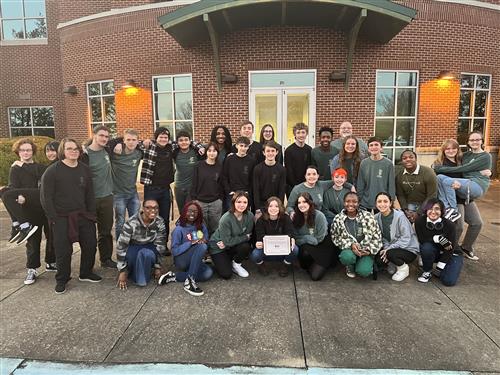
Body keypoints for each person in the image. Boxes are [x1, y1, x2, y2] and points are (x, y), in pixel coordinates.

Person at [41, 138, 102, 294]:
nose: (73, 151)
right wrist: (54, 218)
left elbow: (89, 194)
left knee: (90, 245)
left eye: (76, 148)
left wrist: (91, 214)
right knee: (63, 251)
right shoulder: (52, 171)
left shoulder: (84, 169)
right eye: (69, 148)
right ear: (63, 151)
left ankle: (85, 272)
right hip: (61, 217)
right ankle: (62, 279)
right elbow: (46, 197)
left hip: (83, 215)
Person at [1, 139, 55, 285]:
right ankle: (32, 268)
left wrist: (23, 165)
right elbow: (13, 187)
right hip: (28, 209)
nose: (25, 153)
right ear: (18, 152)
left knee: (52, 236)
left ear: (33, 152)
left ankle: (51, 262)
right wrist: (18, 197)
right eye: (23, 150)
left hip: (44, 206)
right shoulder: (15, 169)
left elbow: (42, 182)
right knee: (33, 241)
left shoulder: (39, 167)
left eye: (28, 150)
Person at [433, 139, 485, 261]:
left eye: (453, 148)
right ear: (443, 151)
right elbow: (439, 182)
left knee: (477, 223)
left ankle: (466, 247)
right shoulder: (440, 164)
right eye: (448, 149)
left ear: (458, 149)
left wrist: (486, 172)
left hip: (466, 197)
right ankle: (450, 249)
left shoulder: (462, 161)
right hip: (453, 200)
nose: (451, 151)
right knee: (458, 226)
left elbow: (474, 173)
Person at [433, 131, 492, 223]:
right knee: (474, 224)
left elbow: (465, 168)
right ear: (468, 142)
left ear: (482, 141)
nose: (474, 142)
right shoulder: (466, 155)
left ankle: (452, 210)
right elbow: (468, 170)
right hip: (459, 193)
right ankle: (450, 209)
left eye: (477, 139)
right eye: (472, 140)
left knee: (443, 179)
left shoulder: (485, 156)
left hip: (474, 187)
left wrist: (440, 169)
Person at [80, 125, 116, 268]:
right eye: (101, 135)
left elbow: (122, 139)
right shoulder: (84, 155)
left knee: (106, 231)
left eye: (107, 136)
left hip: (107, 197)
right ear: (94, 135)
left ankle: (106, 259)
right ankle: (88, 264)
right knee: (88, 234)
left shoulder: (107, 150)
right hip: (90, 200)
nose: (104, 139)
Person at [159, 201, 213, 296]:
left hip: (195, 260)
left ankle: (174, 276)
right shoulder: (179, 229)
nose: (192, 214)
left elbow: (206, 241)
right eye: (189, 211)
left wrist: (204, 241)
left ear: (199, 214)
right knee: (201, 246)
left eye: (195, 212)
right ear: (184, 212)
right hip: (182, 261)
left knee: (208, 273)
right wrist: (191, 243)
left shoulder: (201, 226)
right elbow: (174, 251)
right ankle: (189, 282)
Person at [140, 126, 176, 254]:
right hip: (151, 189)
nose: (163, 139)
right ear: (156, 138)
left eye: (166, 137)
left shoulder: (171, 147)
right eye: (160, 137)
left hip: (165, 189)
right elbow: (131, 142)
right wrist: (144, 141)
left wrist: (199, 147)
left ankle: (163, 245)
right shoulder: (149, 147)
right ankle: (150, 243)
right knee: (150, 217)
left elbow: (188, 141)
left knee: (164, 218)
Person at [116, 199, 166, 289]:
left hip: (149, 247)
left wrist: (158, 267)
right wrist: (122, 270)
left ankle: (142, 272)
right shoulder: (131, 223)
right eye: (148, 208)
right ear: (143, 208)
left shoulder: (160, 222)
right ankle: (130, 269)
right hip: (134, 247)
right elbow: (121, 246)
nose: (153, 211)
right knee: (132, 259)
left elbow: (160, 245)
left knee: (146, 254)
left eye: (155, 208)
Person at [331, 192, 382, 278]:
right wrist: (351, 245)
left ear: (358, 203)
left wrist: (368, 250)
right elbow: (335, 237)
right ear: (344, 203)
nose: (351, 204)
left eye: (354, 201)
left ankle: (366, 264)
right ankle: (350, 266)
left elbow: (377, 237)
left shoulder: (368, 217)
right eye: (348, 201)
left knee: (364, 272)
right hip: (349, 250)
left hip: (366, 250)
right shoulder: (338, 218)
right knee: (346, 257)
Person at [374, 192, 419, 282]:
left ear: (390, 203)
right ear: (376, 204)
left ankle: (403, 268)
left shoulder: (400, 216)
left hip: (408, 249)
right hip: (392, 248)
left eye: (385, 201)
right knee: (379, 261)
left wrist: (389, 250)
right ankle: (393, 262)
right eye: (379, 201)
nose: (382, 204)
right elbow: (383, 237)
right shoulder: (376, 217)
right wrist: (386, 249)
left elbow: (406, 238)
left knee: (390, 254)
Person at [209, 191, 254, 279]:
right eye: (238, 202)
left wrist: (228, 242)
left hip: (229, 245)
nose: (242, 205)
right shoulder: (226, 218)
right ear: (233, 202)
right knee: (226, 274)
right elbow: (245, 236)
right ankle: (216, 260)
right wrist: (243, 237)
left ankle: (236, 264)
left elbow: (248, 236)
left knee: (245, 246)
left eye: (245, 202)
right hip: (218, 246)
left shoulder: (250, 216)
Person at [250, 197, 298, 277]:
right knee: (255, 254)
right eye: (270, 206)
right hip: (267, 250)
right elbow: (260, 236)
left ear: (280, 208)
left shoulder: (285, 218)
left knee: (295, 249)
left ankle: (285, 265)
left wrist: (291, 239)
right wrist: (259, 243)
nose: (273, 208)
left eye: (276, 206)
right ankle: (262, 265)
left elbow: (290, 233)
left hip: (282, 250)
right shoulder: (261, 220)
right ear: (267, 207)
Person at [293, 192, 335, 281]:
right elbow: (296, 238)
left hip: (322, 246)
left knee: (315, 277)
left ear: (310, 202)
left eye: (304, 202)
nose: (301, 205)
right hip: (308, 245)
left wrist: (304, 237)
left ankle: (320, 264)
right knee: (304, 253)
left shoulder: (319, 216)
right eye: (299, 203)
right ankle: (311, 263)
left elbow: (319, 238)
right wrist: (307, 238)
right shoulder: (296, 217)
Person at [414, 198, 458, 283]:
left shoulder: (450, 225)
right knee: (426, 247)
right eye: (430, 208)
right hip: (435, 250)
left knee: (448, 281)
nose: (433, 212)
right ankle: (427, 271)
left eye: (437, 209)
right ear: (426, 210)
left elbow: (451, 247)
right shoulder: (420, 221)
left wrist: (440, 266)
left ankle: (445, 267)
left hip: (451, 253)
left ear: (442, 211)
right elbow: (422, 240)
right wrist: (438, 238)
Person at [110, 129, 142, 240]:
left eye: (134, 140)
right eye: (128, 139)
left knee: (135, 220)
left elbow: (152, 142)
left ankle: (133, 243)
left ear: (138, 141)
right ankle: (120, 246)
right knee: (120, 222)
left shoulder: (139, 153)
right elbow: (101, 143)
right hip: (118, 194)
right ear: (124, 140)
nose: (131, 142)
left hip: (133, 193)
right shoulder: (115, 152)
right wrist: (117, 142)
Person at [190, 142, 224, 236]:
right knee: (201, 228)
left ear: (217, 153)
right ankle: (203, 247)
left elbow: (222, 184)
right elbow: (194, 183)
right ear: (206, 152)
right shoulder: (199, 165)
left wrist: (220, 199)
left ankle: (213, 247)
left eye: (214, 151)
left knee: (216, 228)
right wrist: (194, 199)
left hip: (215, 202)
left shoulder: (220, 167)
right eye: (209, 150)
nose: (212, 153)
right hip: (200, 202)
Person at [395, 149, 437, 223]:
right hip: (410, 205)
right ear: (402, 161)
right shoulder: (399, 175)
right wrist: (405, 210)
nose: (408, 159)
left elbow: (432, 195)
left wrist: (419, 212)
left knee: (423, 223)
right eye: (404, 158)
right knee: (403, 222)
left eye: (411, 157)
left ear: (416, 159)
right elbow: (400, 195)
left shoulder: (428, 172)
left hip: (426, 204)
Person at [357, 137, 395, 211]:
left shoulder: (388, 164)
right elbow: (360, 183)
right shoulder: (364, 163)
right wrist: (359, 198)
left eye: (376, 145)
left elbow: (391, 184)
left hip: (382, 201)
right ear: (368, 149)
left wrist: (391, 200)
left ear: (381, 148)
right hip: (366, 200)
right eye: (371, 145)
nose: (373, 147)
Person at [252, 141, 286, 216]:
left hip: (275, 205)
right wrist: (257, 208)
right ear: (264, 153)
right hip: (261, 205)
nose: (270, 153)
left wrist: (279, 206)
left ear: (277, 152)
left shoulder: (281, 169)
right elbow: (256, 190)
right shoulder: (257, 169)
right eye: (268, 151)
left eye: (273, 151)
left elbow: (282, 190)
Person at [222, 136, 256, 209]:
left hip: (245, 194)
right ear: (237, 146)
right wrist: (229, 191)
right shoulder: (229, 159)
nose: (243, 148)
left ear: (248, 147)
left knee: (244, 216)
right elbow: (224, 176)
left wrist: (248, 191)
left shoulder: (251, 161)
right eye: (241, 146)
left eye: (245, 146)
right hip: (232, 194)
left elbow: (252, 179)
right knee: (231, 214)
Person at [173, 131, 202, 213]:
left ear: (190, 141)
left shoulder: (196, 151)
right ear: (177, 142)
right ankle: (183, 226)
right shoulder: (175, 152)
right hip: (179, 187)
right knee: (182, 212)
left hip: (192, 187)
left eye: (186, 140)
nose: (184, 142)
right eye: (181, 140)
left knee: (191, 211)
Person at [284, 122, 312, 198]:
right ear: (294, 134)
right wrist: (296, 187)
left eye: (303, 132)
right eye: (298, 132)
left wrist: (307, 183)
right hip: (292, 186)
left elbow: (310, 167)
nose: (301, 135)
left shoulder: (309, 150)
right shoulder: (289, 150)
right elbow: (289, 170)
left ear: (306, 134)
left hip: (306, 185)